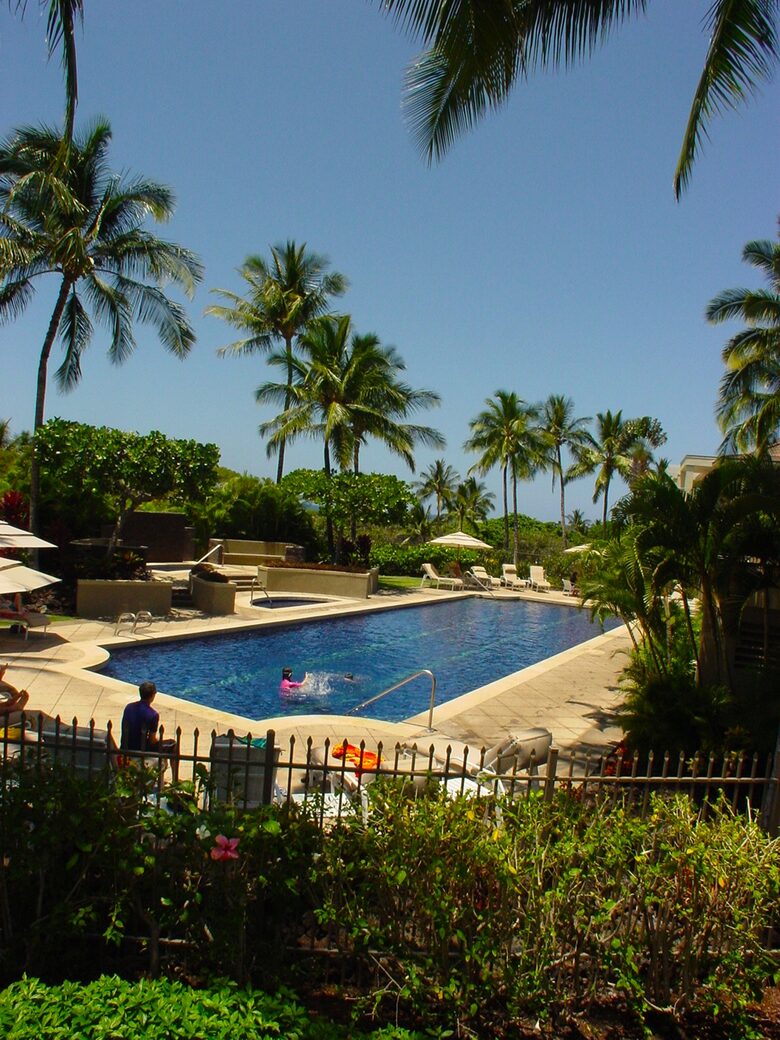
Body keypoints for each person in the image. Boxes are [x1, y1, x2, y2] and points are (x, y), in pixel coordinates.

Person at [121, 680, 168, 752]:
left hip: (126, 748)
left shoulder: (129, 707)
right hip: (141, 750)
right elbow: (152, 740)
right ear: (153, 695)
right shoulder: (153, 715)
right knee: (173, 745)